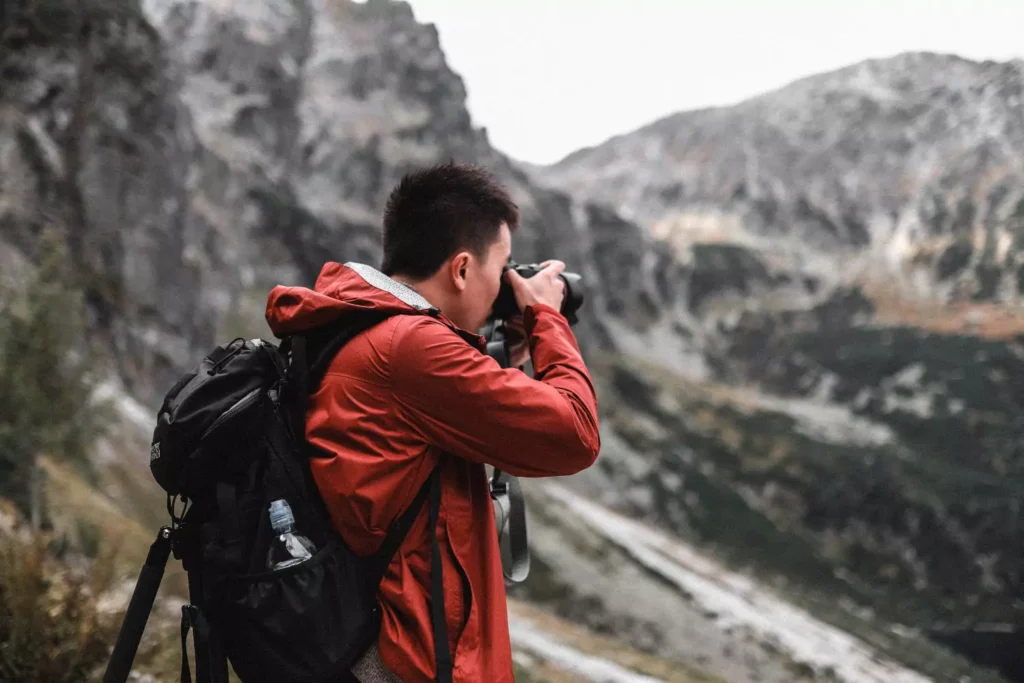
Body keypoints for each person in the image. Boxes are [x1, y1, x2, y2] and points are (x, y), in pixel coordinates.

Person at [264, 161, 601, 682]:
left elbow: (437, 416)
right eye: (503, 266)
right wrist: (546, 319)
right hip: (413, 665)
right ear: (462, 269)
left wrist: (502, 351)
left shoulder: (363, 329)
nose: (507, 284)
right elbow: (575, 433)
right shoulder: (410, 347)